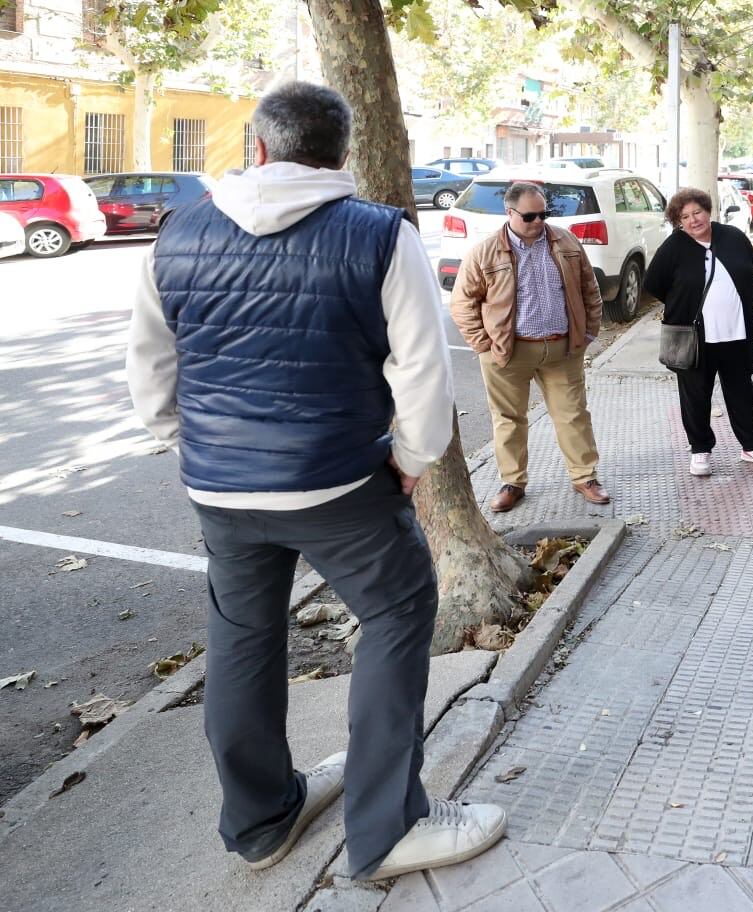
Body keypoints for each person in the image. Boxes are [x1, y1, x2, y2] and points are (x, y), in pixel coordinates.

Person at [126, 82, 506, 880]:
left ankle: (262, 820)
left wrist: (188, 447)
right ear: (342, 152)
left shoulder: (179, 231)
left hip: (220, 488)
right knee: (399, 613)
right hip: (337, 483)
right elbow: (424, 372)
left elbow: (151, 368)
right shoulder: (378, 235)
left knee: (241, 638)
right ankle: (389, 827)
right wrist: (410, 460)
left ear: (257, 147)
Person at [451, 181, 610, 512]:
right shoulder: (484, 252)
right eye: (529, 216)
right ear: (509, 213)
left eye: (544, 214)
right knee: (508, 418)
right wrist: (483, 344)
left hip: (562, 348)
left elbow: (589, 288)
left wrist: (588, 333)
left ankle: (585, 477)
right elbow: (463, 303)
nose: (539, 221)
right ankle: (513, 482)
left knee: (573, 414)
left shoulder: (565, 241)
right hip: (508, 352)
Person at [644, 187, 753, 477]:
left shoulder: (733, 238)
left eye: (697, 212)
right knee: (696, 394)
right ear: (678, 222)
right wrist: (682, 303)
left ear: (708, 211)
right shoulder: (674, 247)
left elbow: (749, 267)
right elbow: (653, 283)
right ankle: (700, 450)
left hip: (734, 333)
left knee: (741, 391)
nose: (693, 220)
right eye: (685, 216)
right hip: (695, 337)